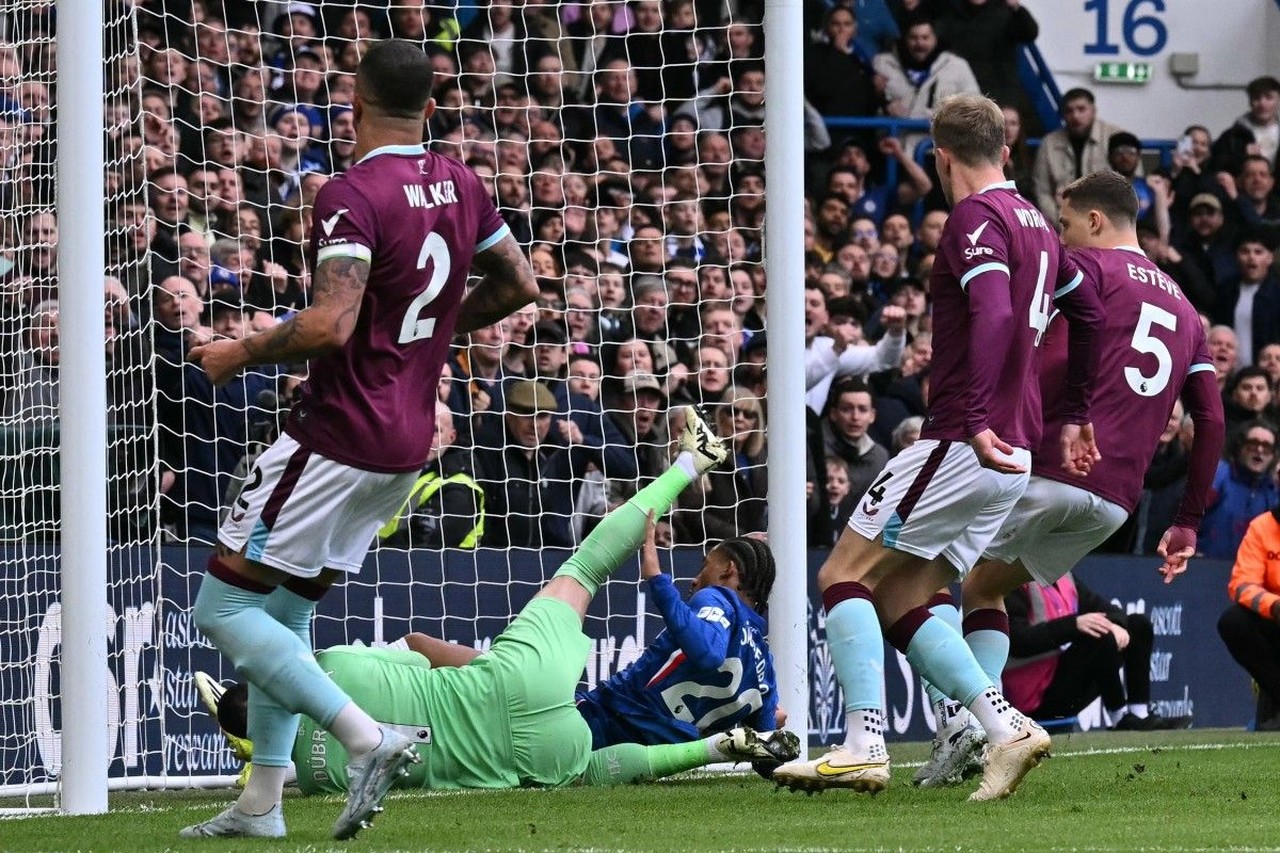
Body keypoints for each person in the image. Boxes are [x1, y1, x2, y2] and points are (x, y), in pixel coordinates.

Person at [178, 41, 539, 841]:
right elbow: (520, 284)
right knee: (285, 609)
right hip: (406, 444)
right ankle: (261, 803)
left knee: (222, 604)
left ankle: (367, 737)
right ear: (433, 109)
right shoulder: (463, 182)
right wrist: (425, 341)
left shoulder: (350, 193)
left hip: (338, 434)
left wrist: (237, 351)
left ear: (355, 104)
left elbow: (331, 322)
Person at [772, 94, 1104, 801]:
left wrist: (976, 415)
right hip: (1012, 454)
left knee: (841, 575)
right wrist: (1073, 414)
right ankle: (1001, 725)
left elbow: (990, 309)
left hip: (964, 439)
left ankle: (864, 743)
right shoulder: (1042, 228)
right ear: (1008, 152)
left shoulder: (974, 218)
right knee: (902, 592)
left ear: (939, 155)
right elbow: (1092, 314)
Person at [198, 408, 800, 794]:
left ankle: (713, 749)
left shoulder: (317, 777)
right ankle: (690, 463)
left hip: (537, 750)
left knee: (589, 771)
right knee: (586, 566)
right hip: (515, 683)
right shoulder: (336, 665)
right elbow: (415, 647)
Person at [913, 170, 1224, 787]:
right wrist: (1186, 520)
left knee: (906, 584)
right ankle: (981, 731)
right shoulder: (1188, 312)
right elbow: (1211, 419)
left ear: (1095, 222)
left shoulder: (1087, 272)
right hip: (1114, 503)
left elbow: (1043, 350)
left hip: (1048, 465)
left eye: (1063, 224)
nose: (1058, 236)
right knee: (983, 589)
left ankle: (968, 723)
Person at [1003, 572, 1189, 730]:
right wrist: (1075, 625)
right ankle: (1119, 719)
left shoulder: (1064, 576)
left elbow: (1111, 611)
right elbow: (1018, 641)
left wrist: (1115, 624)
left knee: (1138, 625)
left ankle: (1139, 714)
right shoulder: (1015, 581)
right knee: (1099, 635)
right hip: (1033, 696)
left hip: (1065, 681)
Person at [1217, 504, 1280, 731]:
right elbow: (1242, 585)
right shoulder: (1262, 527)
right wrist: (1273, 606)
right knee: (1233, 622)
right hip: (1274, 617)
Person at [1032, 88, 1128, 221]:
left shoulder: (1116, 138)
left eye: (1081, 109)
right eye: (1069, 111)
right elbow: (1042, 191)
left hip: (1108, 223)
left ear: (1093, 111)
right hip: (1063, 222)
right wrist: (1062, 223)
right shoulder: (1049, 143)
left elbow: (1131, 185)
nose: (1075, 116)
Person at [1199, 421, 1280, 559]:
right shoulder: (1220, 475)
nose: (1259, 450)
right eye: (1252, 443)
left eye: (1266, 446)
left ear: (1273, 455)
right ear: (1239, 447)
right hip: (1207, 568)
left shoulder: (1274, 491)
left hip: (1252, 574)